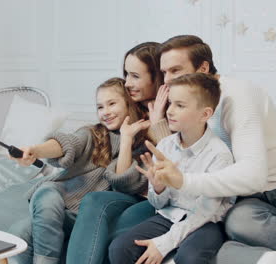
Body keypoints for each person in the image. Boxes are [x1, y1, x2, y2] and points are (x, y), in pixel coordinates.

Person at [150, 35, 276, 264]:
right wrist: (158, 124)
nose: (167, 81)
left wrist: (184, 181)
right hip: (249, 198)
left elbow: (253, 176)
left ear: (203, 67)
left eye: (175, 70)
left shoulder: (237, 95)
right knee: (239, 223)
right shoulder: (187, 103)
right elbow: (180, 154)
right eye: (164, 72)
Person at [12, 77, 150, 264]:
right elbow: (67, 143)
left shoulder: (141, 142)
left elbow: (124, 182)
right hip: (58, 201)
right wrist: (35, 150)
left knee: (22, 233)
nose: (105, 112)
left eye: (111, 104)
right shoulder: (94, 133)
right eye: (100, 107)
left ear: (129, 104)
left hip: (80, 214)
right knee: (44, 197)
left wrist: (126, 140)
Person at [109, 73, 233, 264]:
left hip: (206, 222)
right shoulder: (165, 146)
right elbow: (158, 205)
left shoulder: (220, 154)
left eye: (180, 105)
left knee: (189, 257)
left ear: (205, 114)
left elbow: (206, 211)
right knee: (119, 248)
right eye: (170, 103)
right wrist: (159, 188)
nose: (169, 111)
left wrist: (164, 243)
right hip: (169, 216)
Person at [66, 42, 169, 264]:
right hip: (130, 193)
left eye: (134, 76)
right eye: (126, 74)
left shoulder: (173, 109)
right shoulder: (129, 114)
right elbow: (123, 183)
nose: (127, 82)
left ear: (156, 77)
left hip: (160, 199)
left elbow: (180, 166)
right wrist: (127, 138)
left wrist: (159, 124)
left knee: (113, 232)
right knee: (94, 201)